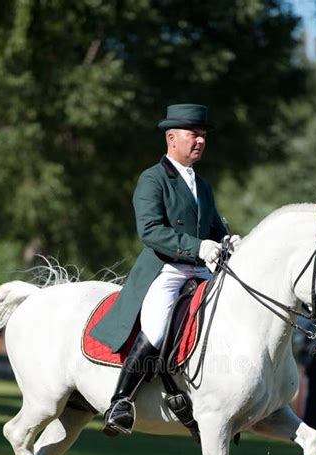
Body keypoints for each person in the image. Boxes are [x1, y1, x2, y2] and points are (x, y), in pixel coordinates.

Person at [91, 103, 242, 435]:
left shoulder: (202, 185)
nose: (200, 141)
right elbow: (150, 231)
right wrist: (195, 246)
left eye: (203, 136)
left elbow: (215, 228)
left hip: (201, 269)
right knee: (157, 329)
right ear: (172, 138)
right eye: (194, 135)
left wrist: (229, 242)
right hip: (167, 268)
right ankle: (121, 401)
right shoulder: (153, 178)